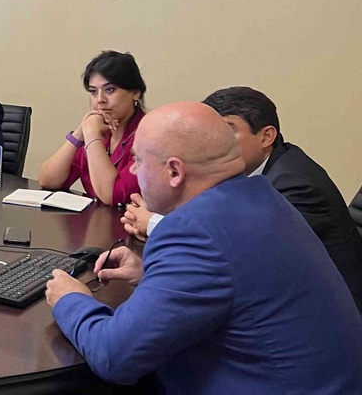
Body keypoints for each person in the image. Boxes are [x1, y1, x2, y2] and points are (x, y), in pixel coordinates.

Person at [45, 103, 362, 395]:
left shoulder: (196, 230)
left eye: (138, 162)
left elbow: (115, 355)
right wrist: (150, 275)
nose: (132, 172)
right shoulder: (260, 197)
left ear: (175, 172)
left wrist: (70, 299)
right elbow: (241, 285)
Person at [123, 87, 362, 311]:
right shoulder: (250, 174)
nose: (215, 141)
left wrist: (154, 222)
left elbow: (241, 251)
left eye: (228, 131)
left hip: (328, 312)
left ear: (266, 136)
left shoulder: (294, 182)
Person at [37, 50, 145, 205]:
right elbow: (48, 180)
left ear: (135, 92)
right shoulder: (97, 128)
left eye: (109, 90)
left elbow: (114, 196)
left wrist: (92, 134)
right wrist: (79, 134)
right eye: (94, 92)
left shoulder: (148, 136)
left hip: (129, 219)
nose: (100, 100)